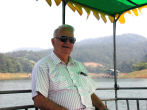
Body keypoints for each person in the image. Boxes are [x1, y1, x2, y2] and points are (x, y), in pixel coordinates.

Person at [31, 24, 108, 110]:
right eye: (63, 38)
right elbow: (39, 100)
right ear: (53, 42)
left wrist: (103, 108)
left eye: (71, 40)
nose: (67, 42)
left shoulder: (79, 66)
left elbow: (90, 93)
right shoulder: (43, 65)